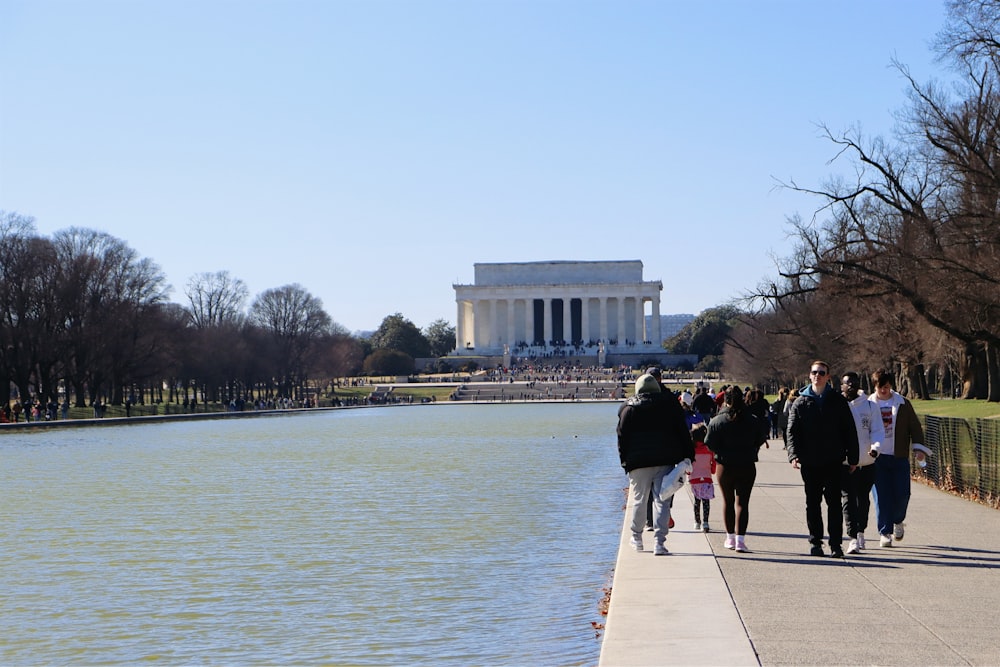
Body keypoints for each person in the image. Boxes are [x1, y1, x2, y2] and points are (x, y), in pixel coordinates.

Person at [786, 360, 859, 558]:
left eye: (821, 372)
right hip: (810, 462)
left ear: (828, 376)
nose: (817, 375)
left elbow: (849, 430)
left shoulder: (837, 401)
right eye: (814, 372)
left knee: (834, 503)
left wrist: (853, 458)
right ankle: (816, 542)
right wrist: (793, 455)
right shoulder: (800, 402)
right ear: (809, 376)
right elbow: (792, 432)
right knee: (813, 503)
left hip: (834, 460)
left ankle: (836, 544)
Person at [617, 373, 695, 556]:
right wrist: (688, 456)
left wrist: (624, 462)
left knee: (639, 499)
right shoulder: (669, 406)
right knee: (662, 501)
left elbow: (622, 437)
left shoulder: (628, 408)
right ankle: (660, 542)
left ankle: (636, 538)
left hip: (638, 462)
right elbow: (682, 432)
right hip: (664, 458)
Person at [704, 386, 767, 553]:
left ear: (726, 400)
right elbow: (760, 438)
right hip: (746, 464)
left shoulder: (717, 421)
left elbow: (709, 442)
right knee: (743, 503)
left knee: (728, 502)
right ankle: (740, 540)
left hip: (724, 465)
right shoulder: (752, 419)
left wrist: (720, 449)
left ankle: (730, 537)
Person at [869, 369, 927, 547]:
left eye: (886, 387)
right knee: (882, 497)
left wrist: (918, 448)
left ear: (891, 386)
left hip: (899, 456)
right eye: (880, 387)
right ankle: (885, 532)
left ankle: (898, 520)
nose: (884, 391)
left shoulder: (902, 404)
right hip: (877, 458)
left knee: (903, 494)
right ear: (875, 386)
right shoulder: (869, 405)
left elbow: (915, 427)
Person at [840, 371, 885, 554]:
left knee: (862, 498)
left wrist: (875, 447)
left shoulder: (869, 406)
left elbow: (877, 430)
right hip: (844, 462)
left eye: (853, 383)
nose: (849, 386)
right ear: (841, 386)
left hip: (866, 461)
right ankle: (852, 538)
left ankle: (860, 532)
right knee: (848, 499)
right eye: (846, 383)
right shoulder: (838, 405)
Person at [687, 422, 716, 532]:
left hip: (694, 479)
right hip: (706, 478)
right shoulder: (709, 449)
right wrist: (711, 471)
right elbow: (713, 465)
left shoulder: (691, 450)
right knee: (706, 501)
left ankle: (697, 521)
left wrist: (688, 474)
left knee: (696, 500)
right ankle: (705, 522)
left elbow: (688, 466)